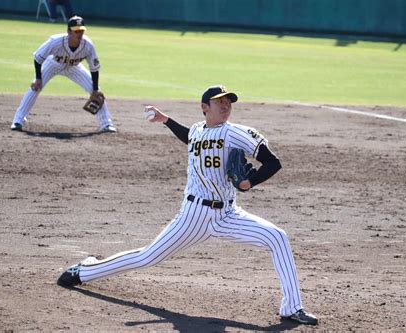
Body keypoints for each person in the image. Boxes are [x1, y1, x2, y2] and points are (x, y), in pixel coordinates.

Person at [57, 85, 318, 325]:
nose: (226, 105)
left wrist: (251, 182)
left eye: (229, 102)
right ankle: (84, 271)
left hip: (228, 214)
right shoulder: (197, 129)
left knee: (277, 237)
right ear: (204, 107)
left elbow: (273, 162)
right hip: (193, 216)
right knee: (148, 257)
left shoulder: (237, 132)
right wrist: (167, 120)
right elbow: (190, 136)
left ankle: (292, 307)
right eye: (219, 102)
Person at [11, 16, 116, 133]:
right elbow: (38, 58)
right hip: (52, 64)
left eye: (81, 31)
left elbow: (94, 68)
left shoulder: (88, 45)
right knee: (35, 88)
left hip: (73, 67)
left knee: (96, 92)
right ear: (68, 31)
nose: (79, 34)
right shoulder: (55, 41)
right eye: (76, 31)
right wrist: (38, 78)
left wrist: (95, 89)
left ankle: (106, 124)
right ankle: (18, 120)